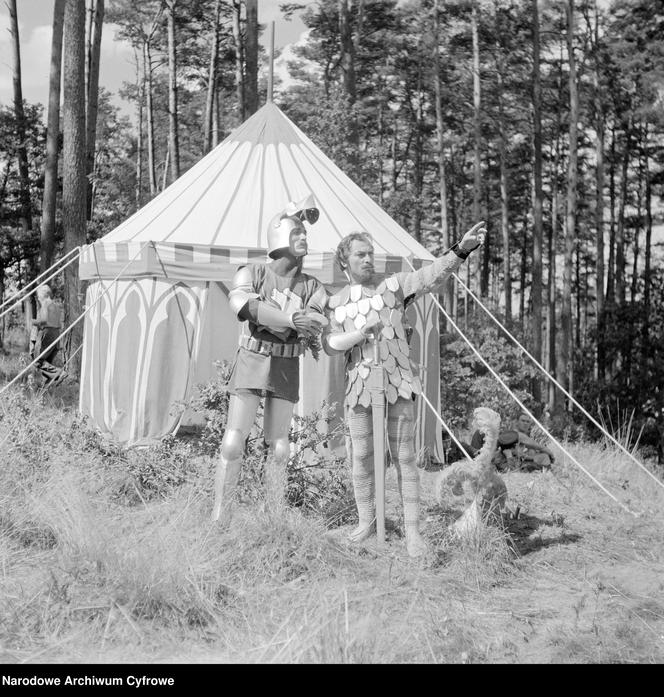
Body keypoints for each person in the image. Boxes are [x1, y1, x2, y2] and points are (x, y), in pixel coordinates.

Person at [323, 222, 486, 557]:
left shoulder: (394, 287)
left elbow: (431, 276)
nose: (368, 259)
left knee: (405, 458)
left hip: (397, 383)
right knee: (361, 458)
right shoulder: (336, 302)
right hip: (359, 387)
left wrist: (460, 249)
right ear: (345, 262)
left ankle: (413, 532)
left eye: (371, 253)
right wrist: (358, 335)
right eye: (360, 255)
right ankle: (366, 522)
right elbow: (330, 344)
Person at [212, 195, 328, 523]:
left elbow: (316, 318)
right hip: (253, 357)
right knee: (234, 442)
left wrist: (304, 323)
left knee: (280, 448)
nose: (303, 238)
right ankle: (221, 519)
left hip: (287, 363)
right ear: (279, 236)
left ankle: (272, 520)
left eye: (305, 234)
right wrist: (291, 321)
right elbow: (242, 304)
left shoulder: (314, 286)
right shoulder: (252, 272)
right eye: (296, 234)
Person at [31, 285, 66, 387]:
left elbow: (44, 320)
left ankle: (60, 373)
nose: (38, 298)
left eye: (38, 296)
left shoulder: (45, 304)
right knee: (47, 361)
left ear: (43, 295)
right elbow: (59, 323)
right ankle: (46, 387)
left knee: (38, 360)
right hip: (56, 334)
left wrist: (33, 321)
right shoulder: (57, 306)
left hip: (47, 333)